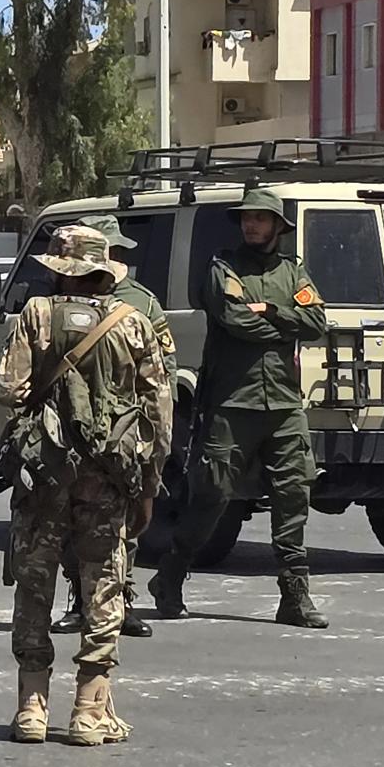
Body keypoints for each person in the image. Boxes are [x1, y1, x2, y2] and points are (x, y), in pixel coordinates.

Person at [0, 225, 169, 746]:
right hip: (108, 479)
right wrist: (149, 485)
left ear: (59, 271)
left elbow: (7, 389)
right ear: (104, 273)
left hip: (44, 476)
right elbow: (159, 412)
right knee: (103, 587)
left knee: (34, 584)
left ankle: (31, 709)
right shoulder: (133, 323)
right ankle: (90, 713)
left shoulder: (36, 314)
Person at [151, 188, 329, 628]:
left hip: (284, 403)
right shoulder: (223, 269)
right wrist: (282, 326)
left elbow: (316, 322)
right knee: (212, 495)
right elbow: (235, 320)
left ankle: (295, 596)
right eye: (247, 218)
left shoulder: (293, 272)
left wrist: (272, 310)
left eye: (260, 219)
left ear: (277, 227)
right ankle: (170, 574)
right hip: (233, 402)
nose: (251, 224)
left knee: (293, 494)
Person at [51, 214, 176, 641]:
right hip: (66, 427)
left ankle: (120, 600)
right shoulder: (57, 298)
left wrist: (152, 437)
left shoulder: (141, 302)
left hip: (122, 429)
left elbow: (162, 369)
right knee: (68, 518)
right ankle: (80, 600)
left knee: (122, 523)